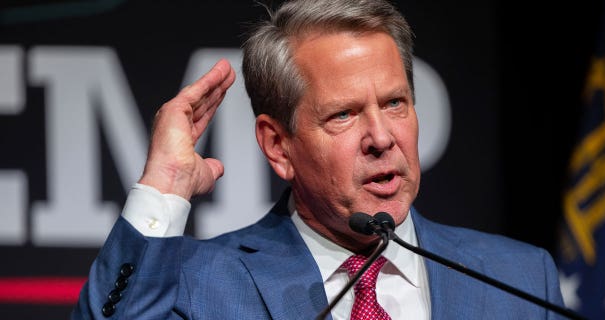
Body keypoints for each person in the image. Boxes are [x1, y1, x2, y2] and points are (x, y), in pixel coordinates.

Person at [72, 0, 565, 319]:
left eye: (395, 103)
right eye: (344, 115)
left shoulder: (519, 281)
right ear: (277, 146)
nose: (381, 137)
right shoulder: (199, 286)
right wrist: (167, 180)